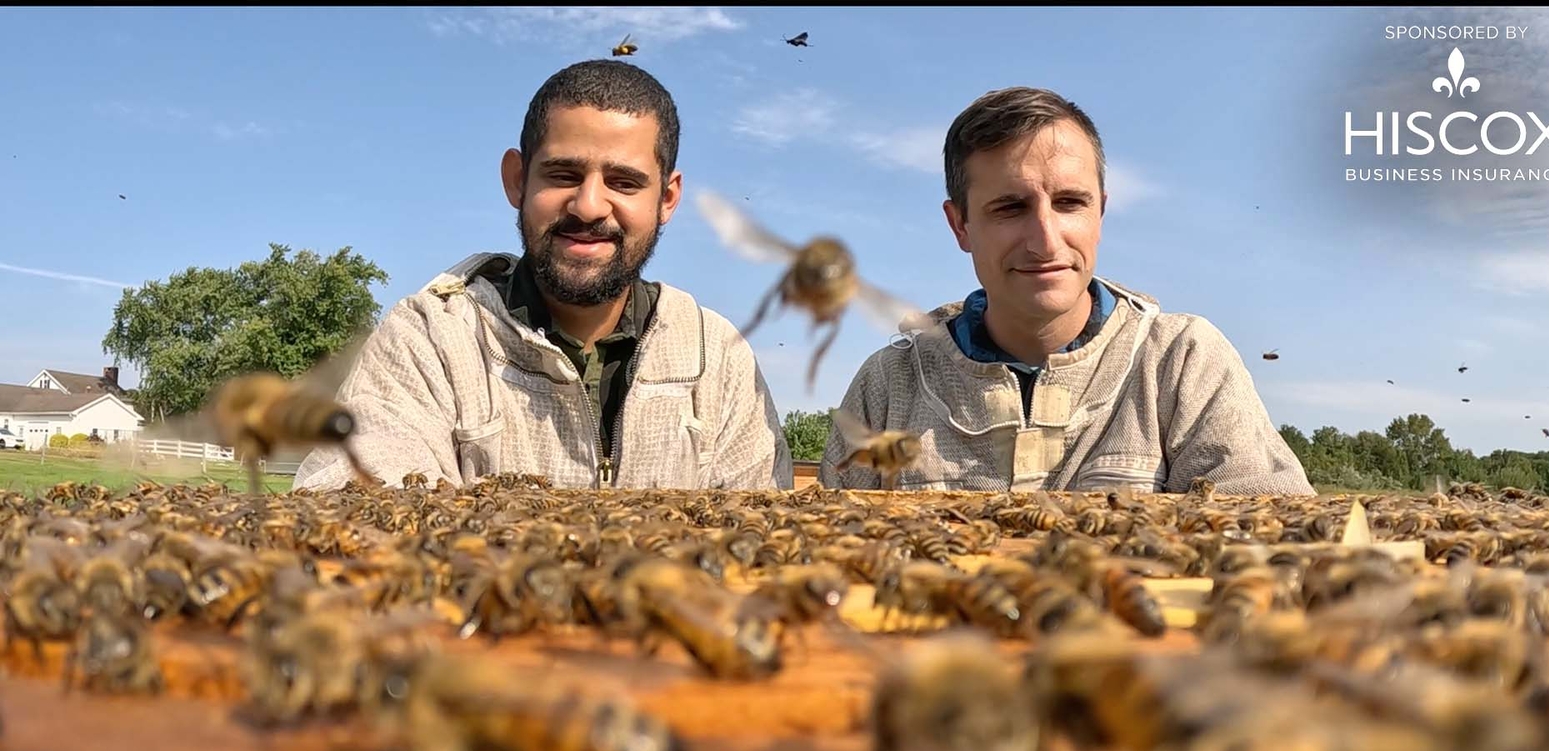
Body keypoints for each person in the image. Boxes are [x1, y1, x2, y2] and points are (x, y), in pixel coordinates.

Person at [295, 60, 792, 491]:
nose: (590, 205)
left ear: (667, 198)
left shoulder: (717, 358)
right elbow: (354, 498)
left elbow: (769, 555)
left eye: (623, 182)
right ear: (517, 179)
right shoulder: (430, 339)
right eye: (563, 175)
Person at [820, 87, 1313, 496]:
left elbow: (1273, 549)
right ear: (960, 225)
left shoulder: (1180, 362)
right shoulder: (891, 384)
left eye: (1069, 202)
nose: (1045, 241)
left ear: (1100, 211)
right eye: (1010, 208)